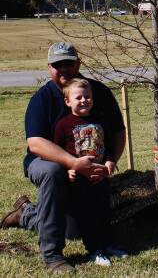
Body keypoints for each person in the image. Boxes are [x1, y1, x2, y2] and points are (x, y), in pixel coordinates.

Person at [0, 42, 126, 273]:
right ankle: (53, 255)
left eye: (68, 63)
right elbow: (36, 143)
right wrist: (72, 163)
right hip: (47, 163)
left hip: (88, 164)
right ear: (49, 68)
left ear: (78, 63)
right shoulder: (43, 98)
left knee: (72, 230)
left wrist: (110, 162)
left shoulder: (97, 92)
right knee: (52, 172)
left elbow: (118, 131)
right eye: (58, 65)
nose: (64, 69)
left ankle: (27, 214)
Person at [53, 78, 127, 266]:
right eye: (79, 97)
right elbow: (57, 151)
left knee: (104, 211)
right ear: (68, 101)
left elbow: (109, 145)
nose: (84, 100)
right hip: (79, 181)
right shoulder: (63, 125)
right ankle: (95, 250)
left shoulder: (99, 121)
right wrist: (67, 168)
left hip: (100, 177)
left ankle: (109, 244)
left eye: (88, 97)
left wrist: (110, 160)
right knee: (87, 215)